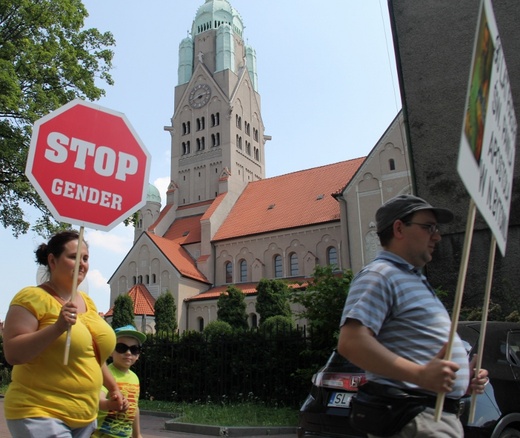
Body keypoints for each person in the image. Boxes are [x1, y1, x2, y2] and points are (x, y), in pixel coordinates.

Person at [337, 195, 489, 438]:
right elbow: (351, 342)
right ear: (399, 228)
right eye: (428, 227)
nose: (437, 236)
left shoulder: (411, 278)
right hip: (417, 418)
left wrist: (461, 381)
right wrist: (421, 375)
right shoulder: (381, 275)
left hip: (432, 416)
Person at [3, 230, 125, 438]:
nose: (82, 264)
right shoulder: (32, 297)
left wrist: (113, 388)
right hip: (39, 412)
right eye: (74, 257)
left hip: (85, 417)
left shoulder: (88, 303)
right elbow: (13, 353)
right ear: (52, 260)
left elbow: (91, 355)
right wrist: (57, 327)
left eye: (85, 258)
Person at [93, 325, 146, 438]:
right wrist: (109, 404)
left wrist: (137, 435)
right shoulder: (107, 374)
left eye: (134, 349)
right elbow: (97, 401)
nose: (128, 353)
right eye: (121, 348)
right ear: (111, 351)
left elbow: (134, 407)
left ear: (138, 355)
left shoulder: (134, 378)